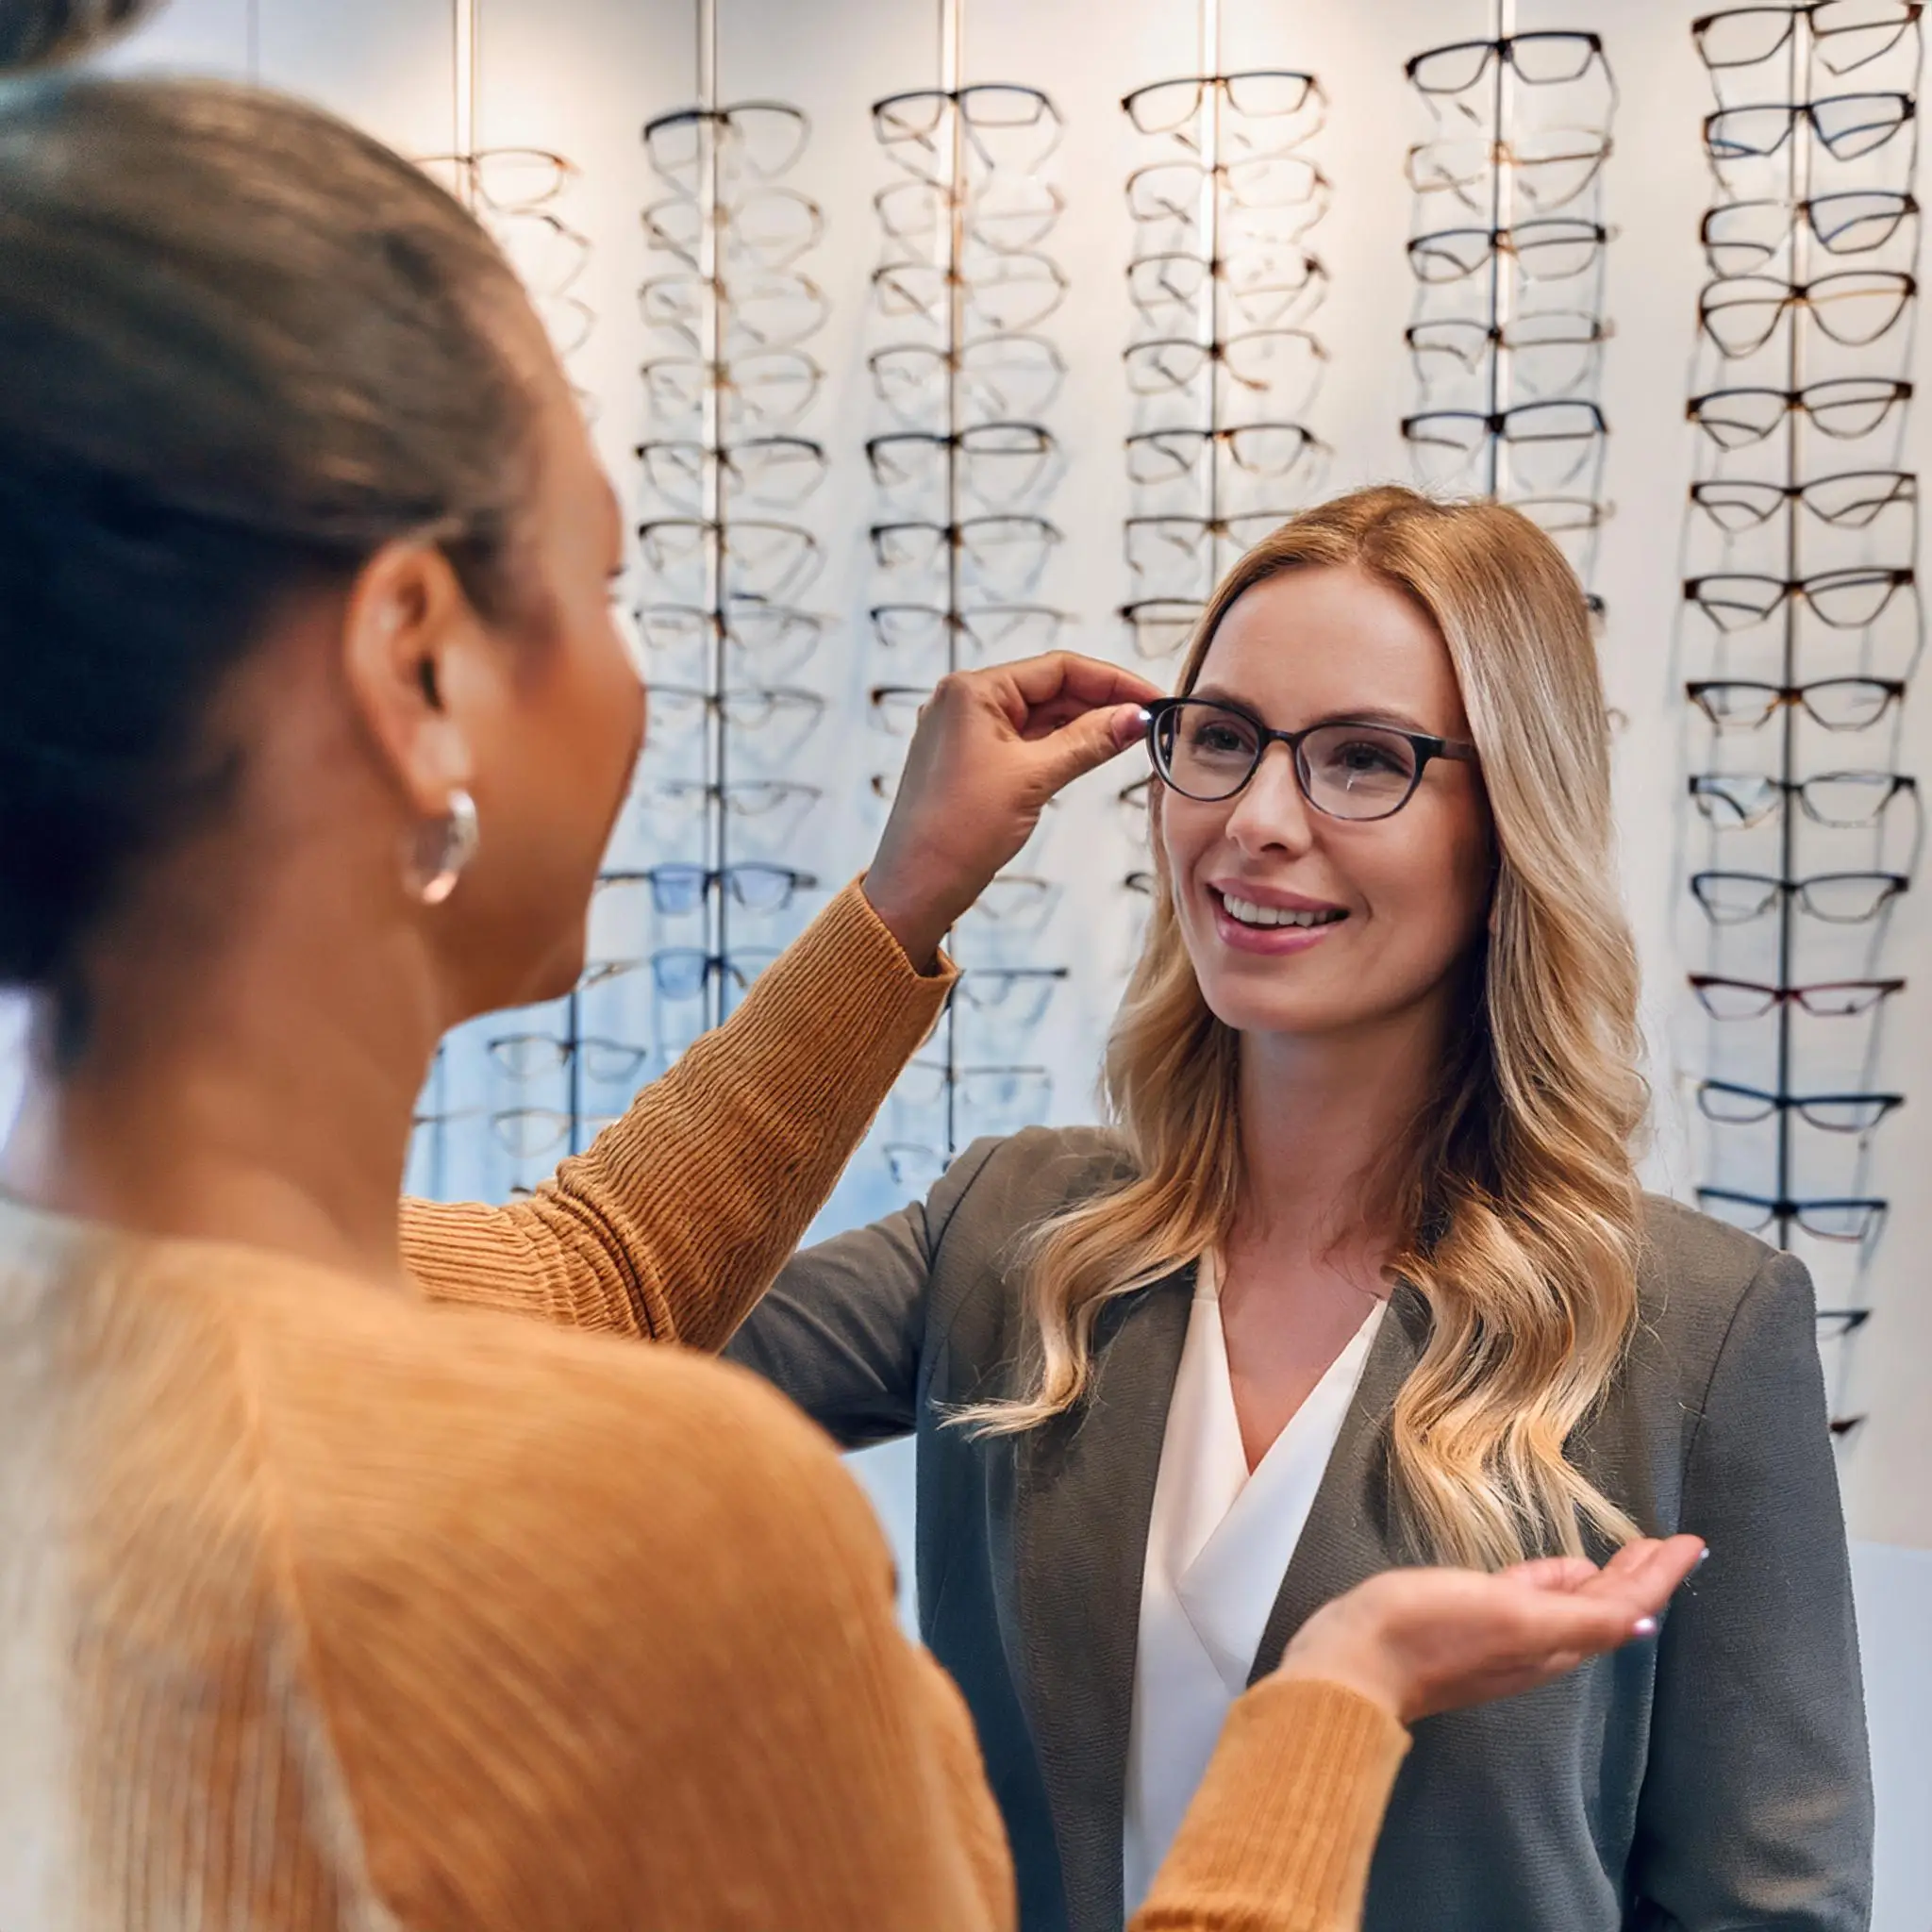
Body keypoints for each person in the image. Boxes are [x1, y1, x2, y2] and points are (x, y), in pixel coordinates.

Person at [0, 9, 1705, 1929]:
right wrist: (1335, 1703)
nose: (1259, 818)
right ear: (416, 665)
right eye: (607, 575)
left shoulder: (82, 1323)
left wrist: (904, 897)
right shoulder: (764, 1460)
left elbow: (575, 1284)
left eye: (1367, 756)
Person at [709, 489, 1876, 1931]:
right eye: (1220, 739)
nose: (1259, 821)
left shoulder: (1693, 1330)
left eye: (1364, 761)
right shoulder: (1010, 1234)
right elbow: (543, 1370)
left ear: (1510, 829)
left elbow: (1772, 1905)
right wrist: (899, 901)